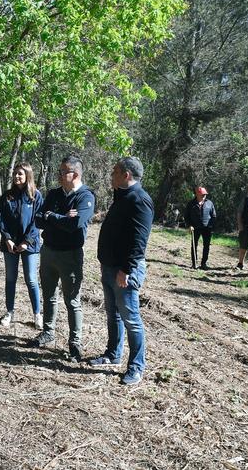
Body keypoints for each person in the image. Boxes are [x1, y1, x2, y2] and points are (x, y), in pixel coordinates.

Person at [89, 156, 153, 386]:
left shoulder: (140, 199)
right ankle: (112, 354)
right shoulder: (122, 195)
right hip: (109, 266)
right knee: (113, 314)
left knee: (131, 319)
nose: (111, 174)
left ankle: (136, 367)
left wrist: (126, 269)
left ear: (126, 174)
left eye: (115, 171)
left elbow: (139, 241)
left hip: (125, 270)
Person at [28, 155, 95, 362]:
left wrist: (52, 216)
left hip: (70, 256)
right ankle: (48, 332)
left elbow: (74, 226)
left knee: (72, 301)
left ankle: (75, 343)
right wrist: (61, 218)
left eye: (62, 172)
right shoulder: (54, 194)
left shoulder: (86, 197)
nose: (58, 175)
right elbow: (38, 219)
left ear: (73, 174)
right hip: (48, 251)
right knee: (49, 295)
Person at [0, 162, 43, 329]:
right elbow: (0, 219)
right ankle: (9, 312)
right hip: (9, 244)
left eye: (20, 174)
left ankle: (37, 314)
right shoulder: (7, 196)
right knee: (10, 279)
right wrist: (7, 238)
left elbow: (37, 221)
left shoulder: (36, 196)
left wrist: (26, 242)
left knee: (31, 279)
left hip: (29, 245)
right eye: (15, 173)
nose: (17, 176)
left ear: (27, 176)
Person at [184, 186, 216, 269]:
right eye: (202, 194)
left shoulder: (210, 203)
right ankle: (194, 264)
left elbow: (213, 215)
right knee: (194, 245)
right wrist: (189, 225)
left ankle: (203, 263)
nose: (204, 196)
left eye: (205, 194)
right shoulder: (191, 203)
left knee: (206, 246)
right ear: (197, 194)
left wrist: (211, 225)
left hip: (207, 228)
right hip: (195, 228)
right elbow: (186, 216)